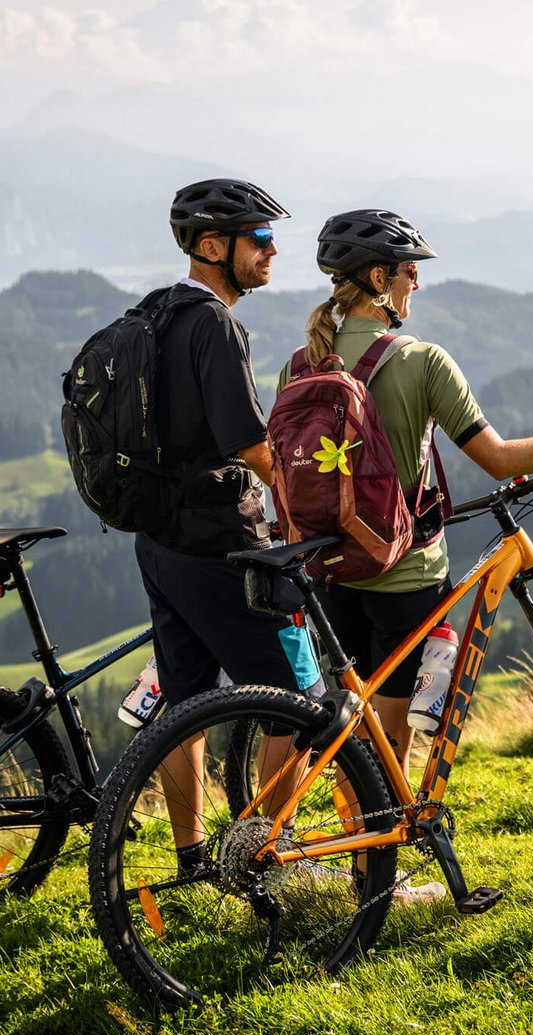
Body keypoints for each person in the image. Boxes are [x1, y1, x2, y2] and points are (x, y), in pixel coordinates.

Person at [287, 209, 533, 777]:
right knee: (389, 756)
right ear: (379, 280)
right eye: (407, 270)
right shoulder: (421, 361)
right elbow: (497, 459)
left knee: (351, 737)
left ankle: (358, 858)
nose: (415, 282)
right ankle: (379, 865)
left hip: (329, 572)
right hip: (404, 577)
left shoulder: (297, 367)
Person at [139, 178, 311, 874]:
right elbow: (250, 444)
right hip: (221, 543)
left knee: (186, 702)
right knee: (297, 705)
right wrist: (301, 510)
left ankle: (191, 858)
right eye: (260, 238)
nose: (274, 250)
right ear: (213, 246)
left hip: (160, 540)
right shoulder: (215, 323)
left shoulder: (156, 312)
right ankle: (272, 857)